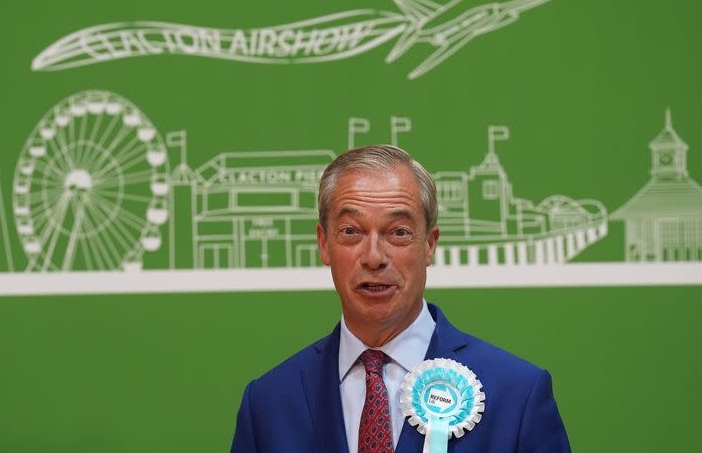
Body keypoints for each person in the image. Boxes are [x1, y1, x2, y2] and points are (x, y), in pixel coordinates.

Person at [231, 145, 570, 453]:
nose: (374, 257)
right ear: (323, 243)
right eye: (351, 231)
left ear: (429, 245)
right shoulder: (268, 403)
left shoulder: (517, 395)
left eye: (398, 232)